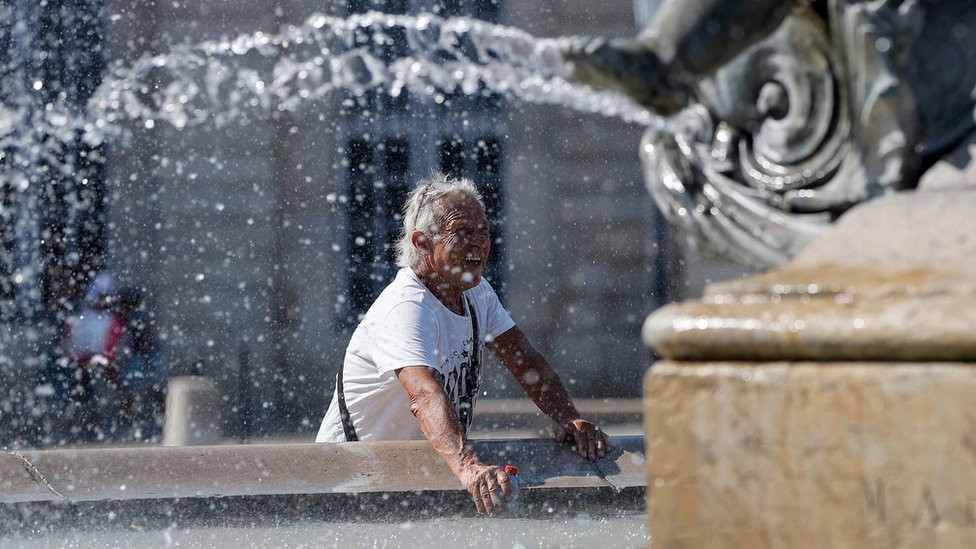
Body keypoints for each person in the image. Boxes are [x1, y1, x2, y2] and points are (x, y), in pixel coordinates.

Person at [317, 174, 612, 515]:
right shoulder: (406, 306)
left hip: (412, 471)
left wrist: (568, 418)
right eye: (463, 232)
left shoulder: (477, 292)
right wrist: (469, 467)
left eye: (483, 230)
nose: (479, 243)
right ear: (422, 242)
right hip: (346, 479)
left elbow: (526, 361)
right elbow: (424, 395)